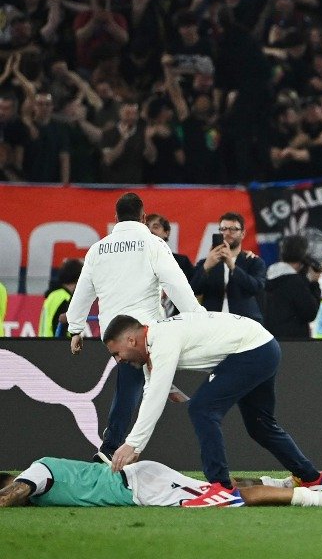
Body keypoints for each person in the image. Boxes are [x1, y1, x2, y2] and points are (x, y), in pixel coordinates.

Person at [102, 311, 322, 508]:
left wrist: (134, 443)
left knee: (201, 409)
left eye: (116, 353)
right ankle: (313, 479)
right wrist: (167, 389)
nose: (118, 360)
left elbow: (154, 395)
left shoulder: (162, 339)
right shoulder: (154, 339)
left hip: (252, 350)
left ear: (131, 341)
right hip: (264, 346)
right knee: (260, 425)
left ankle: (222, 489)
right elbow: (153, 387)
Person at [66, 193, 204, 461]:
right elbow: (176, 283)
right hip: (144, 332)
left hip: (113, 335)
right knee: (133, 383)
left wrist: (75, 329)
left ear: (115, 218)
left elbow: (83, 291)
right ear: (143, 217)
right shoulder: (153, 244)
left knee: (133, 379)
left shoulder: (98, 249)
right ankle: (112, 446)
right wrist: (198, 317)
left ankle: (157, 386)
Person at [0, 457, 322, 509]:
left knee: (228, 500)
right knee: (217, 487)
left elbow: (16, 494)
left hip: (141, 487)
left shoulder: (34, 472)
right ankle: (281, 483)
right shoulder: (42, 469)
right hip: (140, 481)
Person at [190, 212, 267, 321]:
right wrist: (206, 267)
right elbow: (192, 291)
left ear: (243, 233)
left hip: (245, 322)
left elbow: (256, 288)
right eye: (223, 229)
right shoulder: (207, 262)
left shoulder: (254, 262)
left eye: (233, 229)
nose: (227, 233)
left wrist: (233, 266)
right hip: (212, 322)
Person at [263, 234, 321, 339]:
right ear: (303, 256)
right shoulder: (295, 283)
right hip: (294, 342)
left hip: (270, 340)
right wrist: (314, 284)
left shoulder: (267, 277)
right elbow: (310, 313)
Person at [39, 259, 82, 337]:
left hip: (45, 345)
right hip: (57, 347)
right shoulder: (66, 299)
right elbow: (60, 329)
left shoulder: (53, 295)